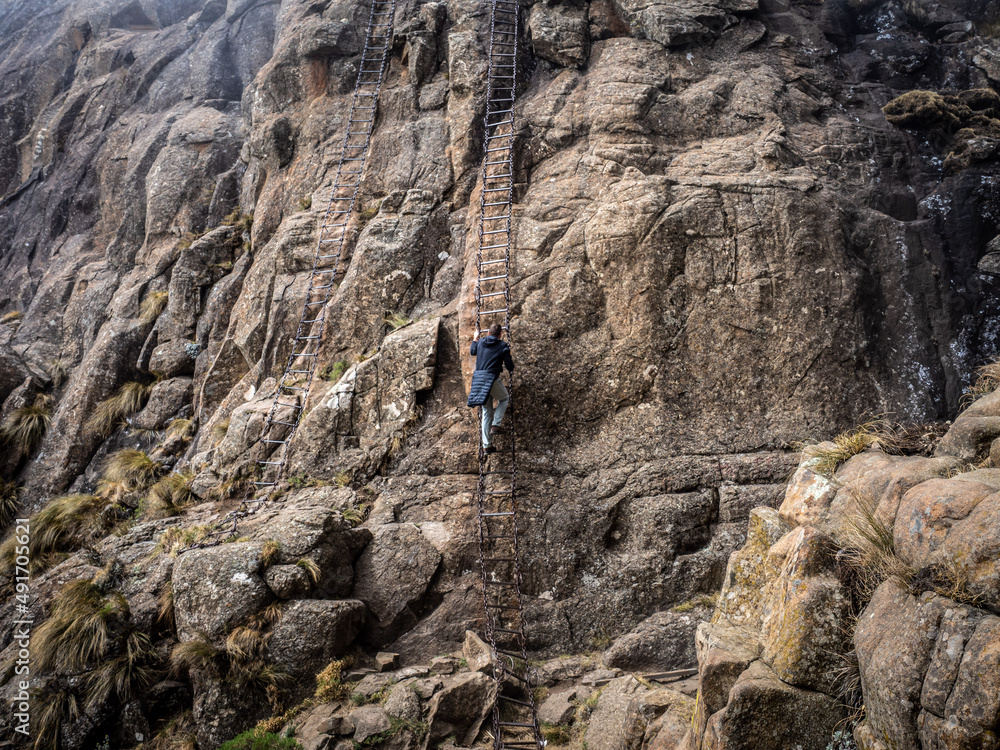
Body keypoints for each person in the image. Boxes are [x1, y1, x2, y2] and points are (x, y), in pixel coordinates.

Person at [467, 322, 514, 453]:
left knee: (487, 411)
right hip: (491, 379)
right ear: (500, 335)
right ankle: (496, 425)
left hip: (478, 380)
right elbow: (510, 367)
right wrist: (505, 357)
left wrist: (475, 337)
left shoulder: (481, 342)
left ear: (488, 333)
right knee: (504, 399)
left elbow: (472, 351)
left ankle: (487, 445)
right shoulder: (502, 346)